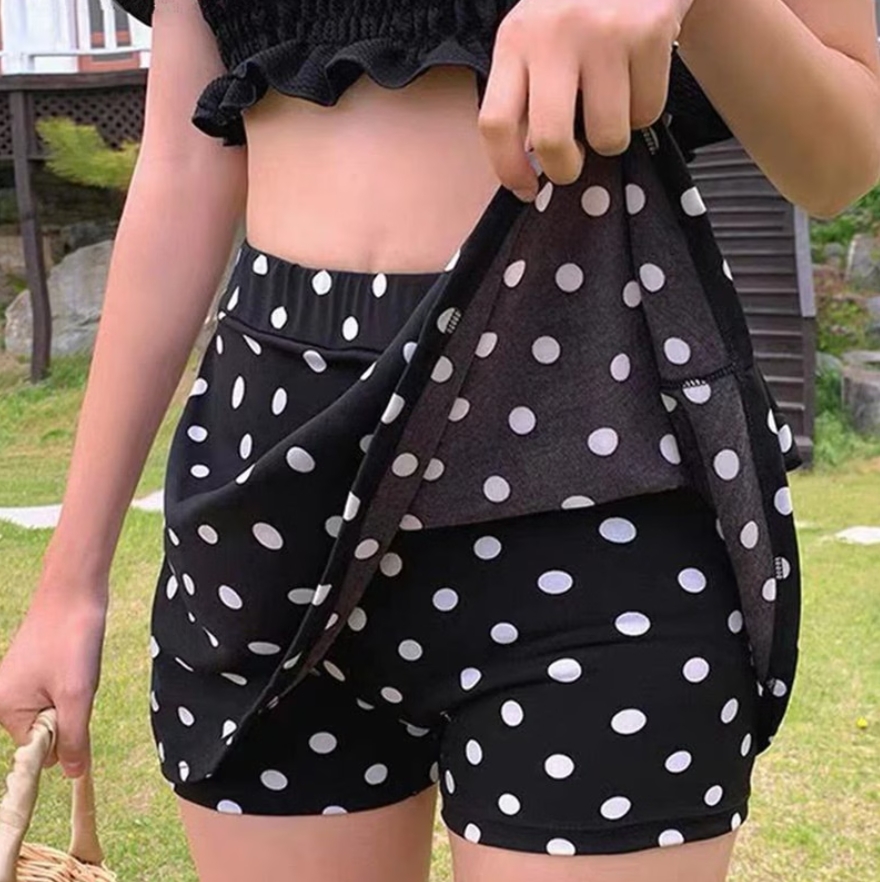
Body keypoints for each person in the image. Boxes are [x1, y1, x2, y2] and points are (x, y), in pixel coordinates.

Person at [1, 1, 878, 881]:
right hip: (267, 497)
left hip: (593, 476)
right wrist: (69, 584)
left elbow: (840, 159)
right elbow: (183, 167)